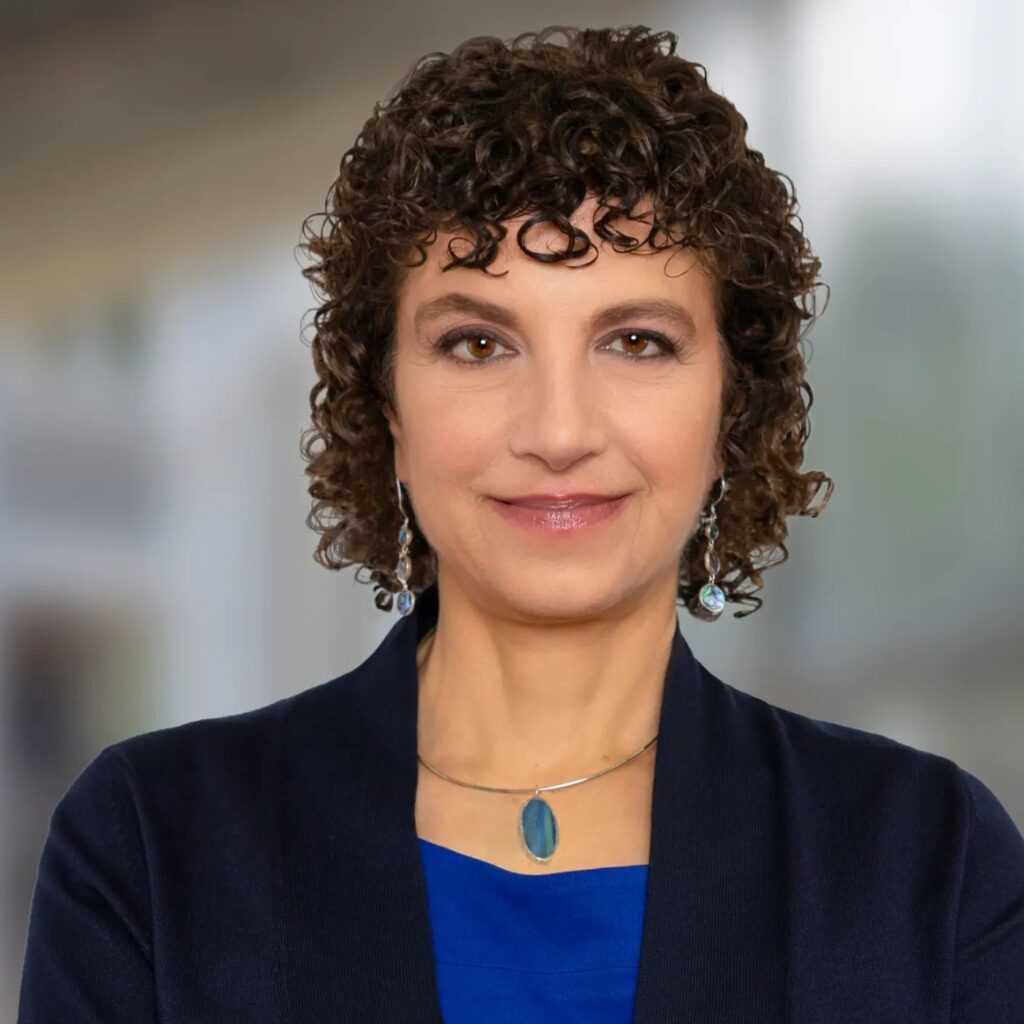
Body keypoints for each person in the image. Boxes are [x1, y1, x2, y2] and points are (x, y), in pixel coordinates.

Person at [17, 24, 1024, 1023]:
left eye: (636, 341)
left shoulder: (926, 864)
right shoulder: (151, 846)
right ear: (386, 408)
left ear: (733, 410)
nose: (558, 430)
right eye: (477, 344)